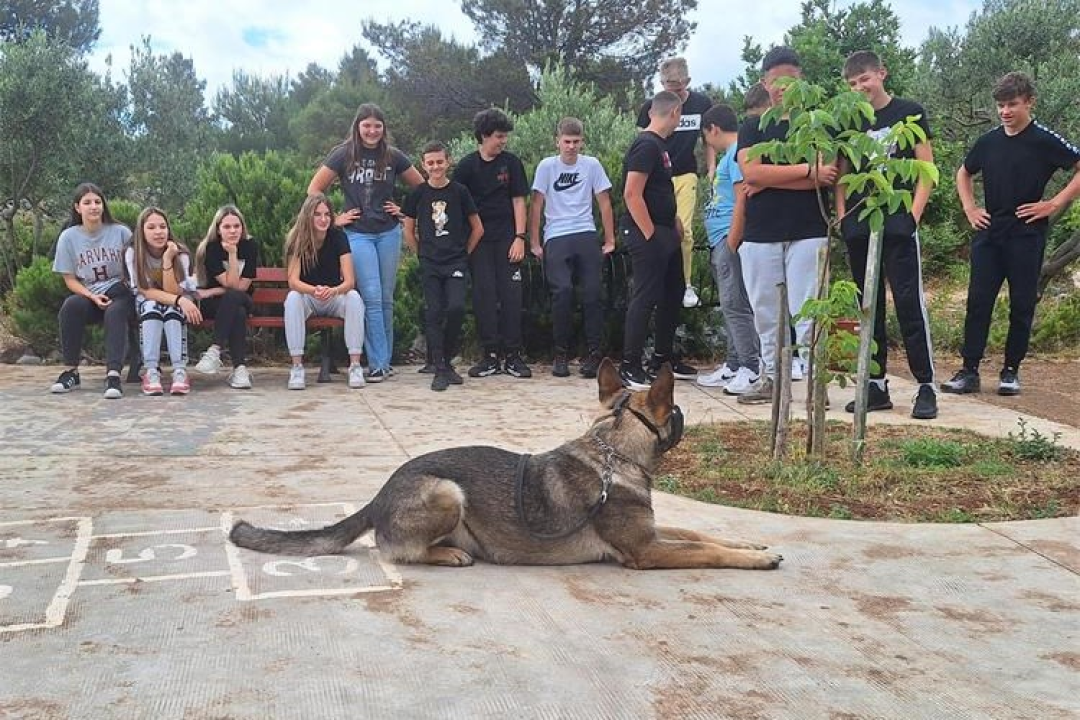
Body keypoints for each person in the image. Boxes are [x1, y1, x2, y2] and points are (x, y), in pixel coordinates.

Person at [943, 71, 1080, 396]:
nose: (1005, 111)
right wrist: (970, 208)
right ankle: (969, 371)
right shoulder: (988, 140)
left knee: (1021, 303)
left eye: (1012, 104)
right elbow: (964, 172)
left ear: (1029, 102)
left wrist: (1054, 203)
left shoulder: (1044, 140)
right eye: (1001, 105)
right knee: (978, 301)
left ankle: (1010, 371)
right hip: (990, 233)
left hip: (1027, 234)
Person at [839, 50, 938, 419]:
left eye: (864, 79)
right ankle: (875, 384)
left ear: (881, 74)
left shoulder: (909, 111)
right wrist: (843, 217)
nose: (860, 87)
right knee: (869, 306)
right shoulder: (850, 119)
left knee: (909, 302)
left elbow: (926, 166)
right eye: (852, 83)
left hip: (897, 221)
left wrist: (913, 215)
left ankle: (926, 385)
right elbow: (844, 169)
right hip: (859, 224)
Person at [736, 46, 837, 405]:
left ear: (801, 81)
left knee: (808, 309)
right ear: (765, 83)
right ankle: (772, 378)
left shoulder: (817, 124)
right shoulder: (752, 126)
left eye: (790, 79)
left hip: (809, 230)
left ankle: (814, 383)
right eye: (776, 80)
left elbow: (828, 175)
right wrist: (806, 171)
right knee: (765, 311)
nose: (782, 87)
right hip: (761, 233)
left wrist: (772, 178)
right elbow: (751, 171)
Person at [308, 103, 424, 382]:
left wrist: (405, 210)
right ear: (357, 127)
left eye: (377, 126)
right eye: (367, 125)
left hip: (388, 232)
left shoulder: (393, 156)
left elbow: (422, 187)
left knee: (385, 299)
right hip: (357, 233)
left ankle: (384, 360)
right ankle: (379, 363)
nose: (372, 131)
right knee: (370, 296)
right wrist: (334, 218)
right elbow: (313, 189)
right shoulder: (343, 154)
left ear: (383, 129)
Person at [618, 91, 699, 390]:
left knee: (672, 291)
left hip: (666, 230)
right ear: (675, 113)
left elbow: (660, 191)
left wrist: (674, 222)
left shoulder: (660, 147)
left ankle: (662, 358)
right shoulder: (646, 145)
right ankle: (629, 365)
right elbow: (631, 193)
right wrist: (650, 233)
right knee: (645, 296)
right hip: (646, 232)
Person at [528, 117, 615, 379]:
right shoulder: (547, 167)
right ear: (558, 142)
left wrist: (609, 239)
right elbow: (536, 205)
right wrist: (534, 241)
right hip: (556, 233)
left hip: (585, 231)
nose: (571, 147)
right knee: (562, 291)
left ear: (582, 142)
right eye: (567, 142)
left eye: (576, 142)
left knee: (592, 292)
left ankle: (594, 353)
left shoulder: (591, 165)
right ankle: (561, 353)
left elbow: (604, 203)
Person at [452, 108, 532, 379]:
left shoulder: (511, 163)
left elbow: (519, 200)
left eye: (505, 136)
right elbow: (457, 205)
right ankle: (490, 355)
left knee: (512, 295)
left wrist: (520, 237)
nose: (503, 141)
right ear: (484, 136)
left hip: (509, 239)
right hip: (479, 242)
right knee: (484, 295)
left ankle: (513, 355)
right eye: (499, 136)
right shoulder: (465, 167)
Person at [402, 142, 484, 391]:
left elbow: (478, 228)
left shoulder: (460, 192)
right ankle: (439, 368)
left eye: (440, 161)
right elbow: (408, 229)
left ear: (448, 162)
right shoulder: (417, 193)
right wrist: (422, 254)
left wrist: (463, 254)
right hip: (430, 263)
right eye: (430, 163)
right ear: (423, 165)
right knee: (434, 312)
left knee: (457, 309)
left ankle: (447, 360)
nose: (436, 166)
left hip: (456, 261)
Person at [637, 57, 715, 309]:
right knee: (661, 230)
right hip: (659, 176)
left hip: (686, 173)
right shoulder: (651, 106)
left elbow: (709, 139)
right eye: (669, 89)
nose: (675, 95)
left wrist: (711, 168)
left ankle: (687, 283)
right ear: (661, 84)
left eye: (679, 89)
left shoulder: (702, 103)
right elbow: (643, 139)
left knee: (685, 230)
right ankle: (661, 281)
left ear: (687, 82)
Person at [696, 104, 761, 396]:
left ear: (713, 129)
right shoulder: (729, 155)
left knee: (736, 303)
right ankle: (735, 363)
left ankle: (750, 367)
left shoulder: (736, 154)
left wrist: (733, 241)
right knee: (729, 303)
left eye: (705, 136)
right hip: (721, 237)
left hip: (728, 238)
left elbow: (740, 200)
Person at [50, 183, 133, 398]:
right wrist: (91, 296)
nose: (93, 207)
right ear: (77, 208)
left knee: (115, 312)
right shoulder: (68, 237)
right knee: (70, 306)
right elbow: (69, 278)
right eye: (87, 203)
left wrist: (119, 288)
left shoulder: (121, 232)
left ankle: (113, 375)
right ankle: (71, 371)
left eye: (97, 202)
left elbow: (134, 267)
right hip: (91, 295)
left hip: (120, 293)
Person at [282, 194, 366, 391]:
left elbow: (349, 281)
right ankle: (296, 367)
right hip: (308, 297)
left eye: (327, 214)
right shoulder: (298, 239)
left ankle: (355, 365)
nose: (323, 219)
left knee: (354, 297)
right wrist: (314, 290)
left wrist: (333, 290)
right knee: (292, 298)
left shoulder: (338, 237)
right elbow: (293, 281)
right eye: (317, 214)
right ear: (308, 217)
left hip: (334, 295)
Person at [125, 207, 201, 396]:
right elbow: (145, 290)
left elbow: (172, 290)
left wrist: (168, 259)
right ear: (141, 231)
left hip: (174, 299)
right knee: (152, 308)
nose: (158, 232)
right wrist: (180, 300)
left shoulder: (179, 253)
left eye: (162, 227)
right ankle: (151, 370)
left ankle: (179, 370)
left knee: (172, 312)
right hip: (148, 299)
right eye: (151, 227)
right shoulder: (133, 253)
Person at [192, 205, 258, 389]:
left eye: (237, 226)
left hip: (244, 298)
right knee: (237, 312)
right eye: (227, 227)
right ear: (218, 229)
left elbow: (239, 287)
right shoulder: (211, 249)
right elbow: (231, 287)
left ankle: (215, 349)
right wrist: (218, 293)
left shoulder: (250, 246)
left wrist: (233, 253)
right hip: (217, 306)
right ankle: (240, 369)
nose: (233, 231)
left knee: (236, 299)